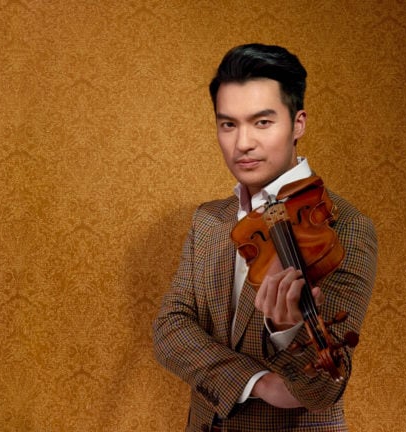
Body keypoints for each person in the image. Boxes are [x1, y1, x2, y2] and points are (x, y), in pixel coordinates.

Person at [152, 43, 378, 431]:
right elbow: (170, 329)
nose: (242, 143)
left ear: (298, 124)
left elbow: (323, 389)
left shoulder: (344, 228)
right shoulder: (208, 220)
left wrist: (288, 333)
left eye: (262, 122)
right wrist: (257, 382)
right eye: (228, 124)